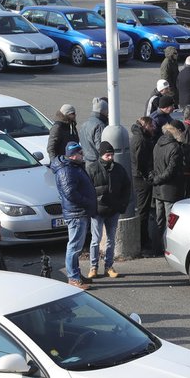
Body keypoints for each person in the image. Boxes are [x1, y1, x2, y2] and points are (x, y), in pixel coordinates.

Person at [51, 142, 97, 289]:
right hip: (76, 213)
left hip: (79, 212)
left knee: (76, 246)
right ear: (73, 155)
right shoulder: (66, 170)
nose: (82, 155)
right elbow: (70, 193)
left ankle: (76, 274)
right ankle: (73, 278)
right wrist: (87, 202)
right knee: (74, 246)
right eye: (80, 153)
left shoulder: (73, 167)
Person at [86, 141, 131, 279]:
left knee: (111, 240)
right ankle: (93, 267)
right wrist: (91, 208)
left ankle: (108, 266)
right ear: (101, 156)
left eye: (112, 155)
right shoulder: (92, 169)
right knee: (96, 239)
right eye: (107, 155)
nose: (110, 158)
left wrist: (122, 206)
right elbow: (87, 190)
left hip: (113, 210)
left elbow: (127, 187)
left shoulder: (119, 169)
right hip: (97, 211)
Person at [152, 120, 186, 252]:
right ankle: (168, 248)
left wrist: (156, 180)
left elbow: (156, 165)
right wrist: (159, 179)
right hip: (170, 190)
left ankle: (156, 248)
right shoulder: (175, 147)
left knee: (158, 220)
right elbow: (171, 171)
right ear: (178, 131)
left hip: (158, 189)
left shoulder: (158, 143)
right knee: (170, 221)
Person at [130, 115, 157, 255]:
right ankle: (143, 243)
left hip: (140, 177)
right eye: (151, 126)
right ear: (145, 125)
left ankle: (144, 241)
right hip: (141, 180)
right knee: (143, 212)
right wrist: (147, 176)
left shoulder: (141, 137)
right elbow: (140, 162)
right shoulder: (141, 140)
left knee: (144, 211)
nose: (154, 128)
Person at [79, 97, 108, 162]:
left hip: (86, 160)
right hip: (96, 162)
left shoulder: (84, 124)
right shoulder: (100, 125)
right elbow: (100, 147)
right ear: (104, 111)